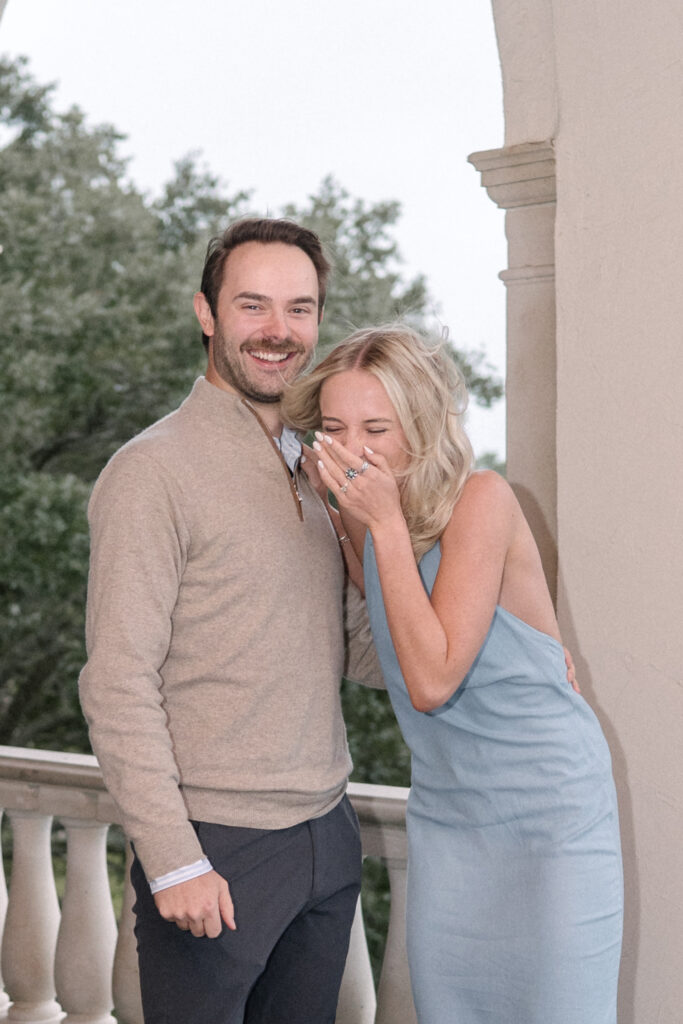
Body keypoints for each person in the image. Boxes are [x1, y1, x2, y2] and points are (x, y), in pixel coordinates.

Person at [78, 218, 383, 1024]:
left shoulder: (316, 468)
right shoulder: (152, 471)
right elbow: (117, 681)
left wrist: (482, 629)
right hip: (217, 843)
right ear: (206, 313)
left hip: (326, 832)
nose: (278, 330)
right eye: (253, 305)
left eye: (298, 308)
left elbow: (360, 655)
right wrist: (173, 858)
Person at [282, 323, 624, 1024]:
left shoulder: (482, 499)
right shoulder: (366, 512)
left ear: (422, 424)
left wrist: (381, 525)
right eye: (336, 428)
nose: (354, 448)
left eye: (377, 427)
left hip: (549, 813)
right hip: (449, 813)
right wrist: (348, 515)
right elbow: (388, 614)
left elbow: (431, 681)